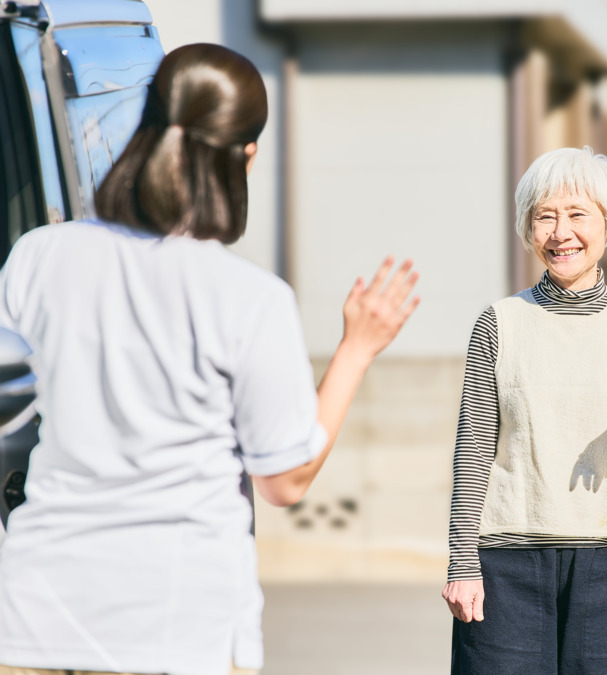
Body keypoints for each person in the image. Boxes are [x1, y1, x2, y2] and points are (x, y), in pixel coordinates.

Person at [0, 43, 418, 675]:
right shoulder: (250, 300)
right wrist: (356, 350)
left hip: (34, 616)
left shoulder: (37, 256)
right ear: (246, 154)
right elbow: (285, 480)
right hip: (179, 629)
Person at [441, 147, 607, 674]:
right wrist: (463, 563)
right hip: (507, 563)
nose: (560, 232)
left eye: (577, 214)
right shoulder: (499, 323)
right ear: (528, 229)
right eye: (544, 216)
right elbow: (473, 449)